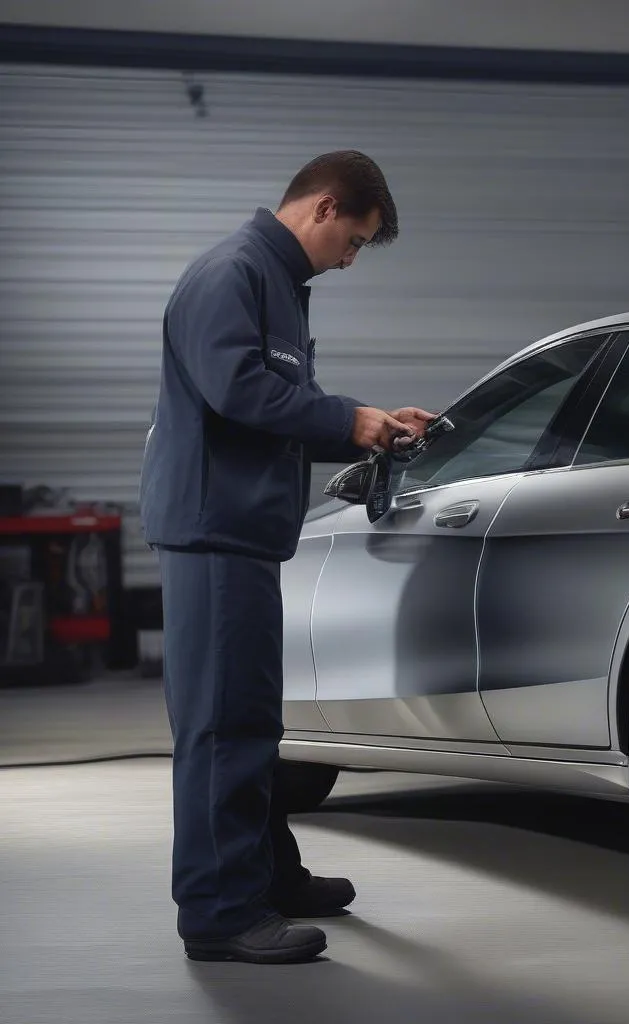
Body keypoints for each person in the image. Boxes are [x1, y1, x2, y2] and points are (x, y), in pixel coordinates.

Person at [139, 151, 434, 964]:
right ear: (326, 207)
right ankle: (219, 914)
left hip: (239, 530)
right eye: (356, 241)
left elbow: (271, 409)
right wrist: (350, 421)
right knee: (220, 726)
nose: (350, 258)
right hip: (212, 531)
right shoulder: (230, 275)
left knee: (252, 721)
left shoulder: (274, 285)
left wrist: (369, 422)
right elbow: (236, 391)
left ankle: (266, 876)